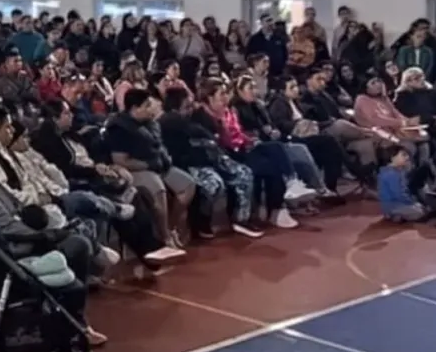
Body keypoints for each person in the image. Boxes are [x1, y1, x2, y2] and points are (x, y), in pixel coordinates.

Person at [0, 132, 106, 347]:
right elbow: (7, 227)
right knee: (78, 245)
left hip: (10, 243)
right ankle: (76, 322)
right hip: (14, 251)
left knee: (70, 230)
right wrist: (46, 236)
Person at [192, 78, 297, 229]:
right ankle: (263, 212)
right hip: (225, 156)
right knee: (265, 166)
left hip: (240, 149)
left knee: (276, 149)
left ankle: (284, 196)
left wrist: (249, 141)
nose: (226, 97)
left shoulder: (228, 112)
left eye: (226, 93)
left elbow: (238, 134)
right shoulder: (202, 116)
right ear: (209, 97)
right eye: (222, 94)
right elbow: (217, 143)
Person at [158, 88, 262, 239]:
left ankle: (241, 219)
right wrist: (211, 139)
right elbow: (199, 132)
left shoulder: (194, 115)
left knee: (243, 173)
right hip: (188, 164)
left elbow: (214, 134)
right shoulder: (170, 119)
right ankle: (200, 223)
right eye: (187, 103)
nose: (192, 105)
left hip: (210, 159)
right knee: (213, 183)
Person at [104, 89, 193, 257]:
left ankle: (170, 227)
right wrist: (147, 164)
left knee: (187, 185)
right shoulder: (120, 128)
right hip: (137, 169)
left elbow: (158, 147)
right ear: (135, 108)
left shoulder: (151, 124)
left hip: (159, 165)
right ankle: (164, 238)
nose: (151, 109)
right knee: (158, 190)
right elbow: (120, 160)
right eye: (147, 106)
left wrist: (164, 160)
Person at [377, 145, 425, 223]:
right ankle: (394, 214)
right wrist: (412, 202)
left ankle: (398, 215)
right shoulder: (390, 174)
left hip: (398, 203)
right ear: (393, 157)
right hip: (393, 205)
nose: (407, 158)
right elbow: (398, 195)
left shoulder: (398, 170)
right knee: (420, 211)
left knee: (419, 207)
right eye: (403, 155)